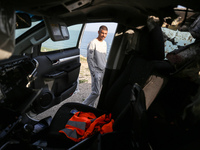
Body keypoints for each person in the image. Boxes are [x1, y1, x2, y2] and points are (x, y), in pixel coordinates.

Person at [82, 25, 108, 107]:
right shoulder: (93, 43)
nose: (104, 35)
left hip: (103, 70)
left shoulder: (105, 43)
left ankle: (91, 107)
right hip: (96, 71)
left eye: (105, 33)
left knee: (97, 91)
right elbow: (90, 59)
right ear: (98, 32)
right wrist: (93, 72)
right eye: (102, 33)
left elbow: (104, 57)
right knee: (96, 92)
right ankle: (83, 106)